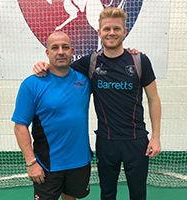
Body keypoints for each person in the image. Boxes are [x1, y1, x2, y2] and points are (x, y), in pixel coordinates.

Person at [33, 7, 161, 200]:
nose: (112, 33)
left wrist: (156, 137)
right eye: (107, 29)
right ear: (99, 32)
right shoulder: (90, 63)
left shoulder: (140, 61)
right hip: (106, 141)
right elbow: (61, 68)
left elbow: (154, 99)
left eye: (117, 29)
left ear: (125, 32)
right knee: (107, 193)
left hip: (136, 141)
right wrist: (42, 65)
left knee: (138, 193)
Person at [11, 31, 92, 200]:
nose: (60, 52)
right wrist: (31, 163)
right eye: (54, 48)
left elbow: (112, 61)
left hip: (80, 161)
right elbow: (20, 126)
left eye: (65, 47)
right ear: (47, 53)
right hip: (47, 164)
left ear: (72, 51)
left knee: (70, 198)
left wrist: (133, 54)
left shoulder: (85, 80)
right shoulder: (31, 84)